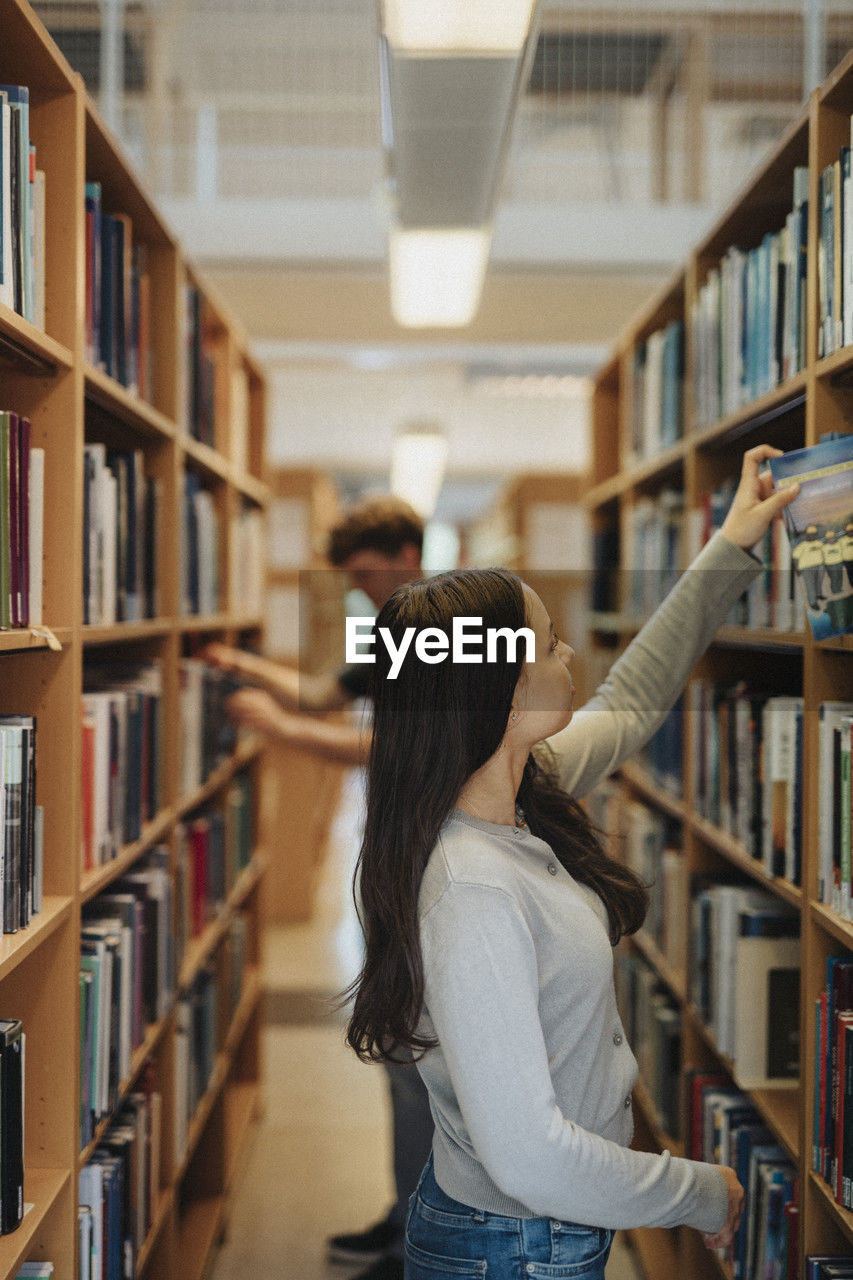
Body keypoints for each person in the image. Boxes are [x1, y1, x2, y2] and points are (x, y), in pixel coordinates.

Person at [344, 446, 799, 1280]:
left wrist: (730, 546)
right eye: (550, 647)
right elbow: (528, 1159)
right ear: (502, 691)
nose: (569, 663)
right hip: (515, 1244)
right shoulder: (472, 886)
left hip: (527, 1235)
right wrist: (700, 1191)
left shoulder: (519, 786)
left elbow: (630, 699)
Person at [205, 495, 434, 1280]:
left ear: (407, 554)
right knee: (403, 1060)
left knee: (418, 1062)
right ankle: (407, 1216)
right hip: (402, 867)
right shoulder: (400, 628)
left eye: (369, 575)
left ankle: (418, 1243)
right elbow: (323, 691)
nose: (363, 591)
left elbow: (383, 749)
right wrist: (244, 669)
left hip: (433, 874)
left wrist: (278, 729)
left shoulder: (439, 633)